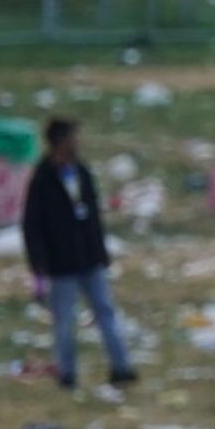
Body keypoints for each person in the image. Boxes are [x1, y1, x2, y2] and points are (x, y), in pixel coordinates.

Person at [21, 117, 135, 390]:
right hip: (61, 264)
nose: (77, 142)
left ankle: (121, 367)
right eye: (72, 137)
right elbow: (32, 225)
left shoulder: (81, 172)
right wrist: (38, 266)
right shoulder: (43, 179)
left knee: (105, 312)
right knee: (65, 322)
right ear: (59, 141)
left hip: (90, 259)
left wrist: (101, 251)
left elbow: (93, 215)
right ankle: (67, 373)